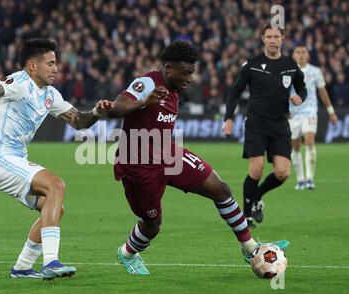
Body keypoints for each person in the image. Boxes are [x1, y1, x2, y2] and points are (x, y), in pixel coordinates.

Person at [106, 40, 289, 275]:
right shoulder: (148, 83)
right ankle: (127, 253)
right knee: (152, 226)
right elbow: (115, 109)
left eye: (192, 73)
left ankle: (250, 248)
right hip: (138, 167)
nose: (190, 78)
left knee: (220, 189)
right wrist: (145, 101)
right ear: (169, 68)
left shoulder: (174, 88)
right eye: (185, 73)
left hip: (168, 154)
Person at [0, 38, 113, 280]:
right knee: (55, 184)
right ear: (32, 66)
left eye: (56, 63)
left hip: (14, 159)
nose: (56, 68)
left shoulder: (49, 94)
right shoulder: (19, 82)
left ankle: (22, 267)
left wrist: (98, 112)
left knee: (55, 208)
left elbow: (78, 121)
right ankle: (51, 262)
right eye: (50, 63)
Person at [223, 26, 307, 228]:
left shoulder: (290, 65)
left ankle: (258, 197)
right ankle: (246, 216)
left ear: (282, 39)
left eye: (276, 36)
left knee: (283, 173)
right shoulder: (251, 65)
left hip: (280, 124)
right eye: (268, 36)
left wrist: (299, 98)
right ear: (262, 39)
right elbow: (235, 92)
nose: (272, 40)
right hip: (256, 123)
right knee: (257, 169)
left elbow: (302, 88)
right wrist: (228, 118)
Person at [289, 44, 339, 190]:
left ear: (308, 55)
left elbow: (323, 92)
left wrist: (331, 112)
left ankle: (310, 178)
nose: (301, 55)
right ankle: (300, 180)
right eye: (297, 52)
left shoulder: (315, 71)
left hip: (310, 112)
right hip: (293, 114)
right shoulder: (288, 71)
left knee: (309, 142)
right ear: (294, 55)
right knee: (295, 146)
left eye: (303, 52)